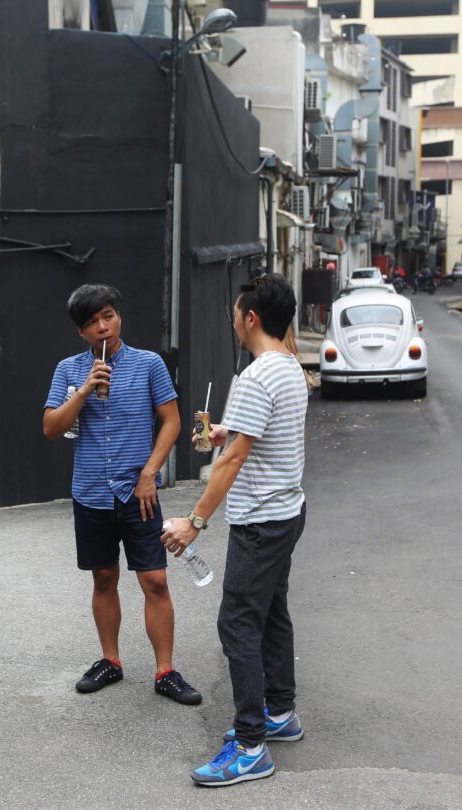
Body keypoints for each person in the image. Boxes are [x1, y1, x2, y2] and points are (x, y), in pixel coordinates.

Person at [162, 273, 308, 787]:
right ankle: (280, 713)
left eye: (235, 314)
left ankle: (251, 746)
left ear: (251, 317)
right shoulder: (289, 367)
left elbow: (231, 462)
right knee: (272, 615)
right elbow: (253, 438)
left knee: (237, 624)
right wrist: (228, 430)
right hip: (288, 511)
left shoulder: (256, 376)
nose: (233, 321)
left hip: (261, 521)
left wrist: (193, 522)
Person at [43, 284, 201, 705]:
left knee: (154, 579)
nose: (102, 327)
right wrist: (83, 389)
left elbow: (171, 421)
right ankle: (110, 660)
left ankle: (165, 670)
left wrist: (151, 473)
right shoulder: (67, 370)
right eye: (93, 323)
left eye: (108, 316)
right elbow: (51, 427)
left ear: (118, 318)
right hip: (90, 491)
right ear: (81, 332)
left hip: (139, 491)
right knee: (104, 577)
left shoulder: (149, 364)